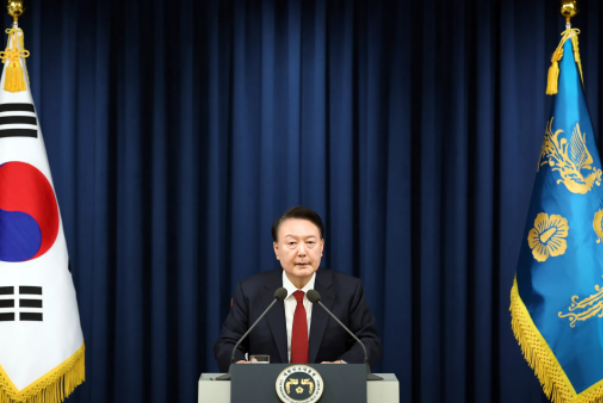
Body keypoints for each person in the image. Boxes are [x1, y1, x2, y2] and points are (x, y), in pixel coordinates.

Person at [213, 206, 382, 372]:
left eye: (310, 242)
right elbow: (228, 343)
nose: (302, 252)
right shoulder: (250, 291)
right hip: (266, 388)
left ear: (321, 247)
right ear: (277, 250)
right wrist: (241, 365)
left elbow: (369, 341)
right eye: (292, 243)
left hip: (331, 387)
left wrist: (342, 366)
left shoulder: (348, 289)